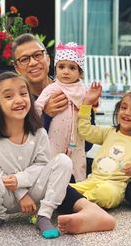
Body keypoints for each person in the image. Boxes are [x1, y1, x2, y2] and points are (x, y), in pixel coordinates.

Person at [12, 33, 131, 233]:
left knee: (120, 167)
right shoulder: (16, 98)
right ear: (17, 67)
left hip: (76, 157)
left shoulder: (76, 88)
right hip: (42, 165)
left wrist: (87, 107)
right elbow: (19, 145)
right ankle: (89, 209)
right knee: (57, 183)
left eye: (38, 55)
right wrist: (47, 116)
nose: (33, 62)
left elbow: (89, 142)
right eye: (24, 59)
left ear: (48, 59)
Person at [0, 71, 73, 239]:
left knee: (64, 161)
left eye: (23, 93)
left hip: (35, 192)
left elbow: (42, 165)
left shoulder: (39, 133)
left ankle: (44, 215)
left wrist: (21, 181)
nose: (19, 100)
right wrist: (21, 193)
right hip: (5, 195)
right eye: (8, 96)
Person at [70, 86, 131, 209]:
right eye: (123, 107)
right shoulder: (109, 132)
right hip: (91, 181)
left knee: (105, 194)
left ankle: (77, 202)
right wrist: (87, 105)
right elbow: (85, 130)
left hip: (114, 187)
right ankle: (80, 202)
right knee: (65, 188)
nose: (127, 113)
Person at [35, 42, 87, 182]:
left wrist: (92, 101)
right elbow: (38, 105)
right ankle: (48, 184)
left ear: (80, 73)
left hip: (76, 138)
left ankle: (80, 188)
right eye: (61, 67)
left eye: (72, 68)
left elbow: (89, 104)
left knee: (79, 162)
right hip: (55, 137)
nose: (66, 71)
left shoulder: (82, 90)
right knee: (52, 158)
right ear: (55, 69)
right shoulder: (53, 88)